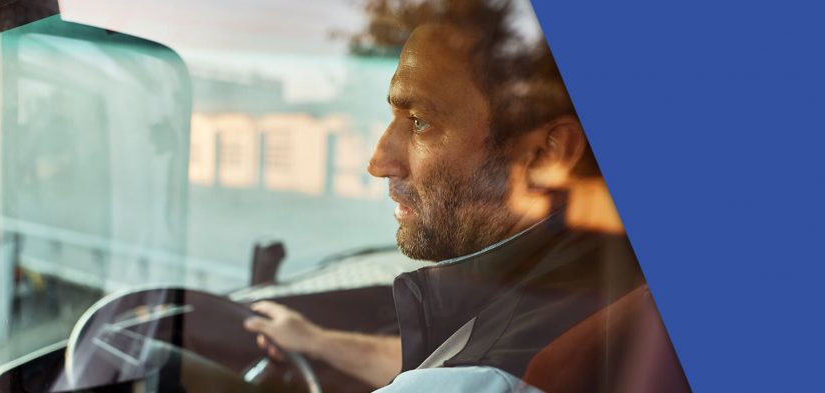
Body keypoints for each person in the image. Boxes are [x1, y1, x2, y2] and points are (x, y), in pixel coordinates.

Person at [245, 2, 681, 392]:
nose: (379, 162)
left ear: (546, 155)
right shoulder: (606, 270)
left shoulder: (486, 378)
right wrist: (318, 343)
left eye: (419, 122)